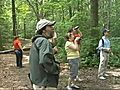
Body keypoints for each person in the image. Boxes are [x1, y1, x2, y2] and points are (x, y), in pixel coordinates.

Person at [29, 19, 60, 90]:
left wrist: (54, 39)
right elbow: (45, 60)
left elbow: (42, 56)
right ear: (43, 30)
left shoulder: (37, 41)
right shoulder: (43, 41)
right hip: (45, 82)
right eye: (50, 26)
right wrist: (56, 68)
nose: (53, 28)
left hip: (38, 81)